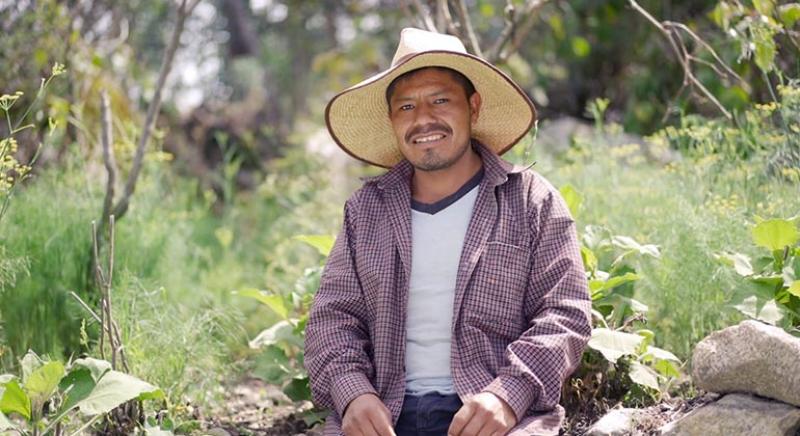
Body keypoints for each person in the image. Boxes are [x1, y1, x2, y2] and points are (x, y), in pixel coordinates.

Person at [305, 28, 591, 436]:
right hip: (383, 415)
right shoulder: (365, 211)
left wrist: (508, 395)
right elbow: (332, 320)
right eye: (406, 106)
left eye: (440, 100)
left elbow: (565, 313)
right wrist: (354, 395)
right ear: (392, 120)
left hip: (492, 419)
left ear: (473, 106)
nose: (423, 119)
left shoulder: (531, 202)